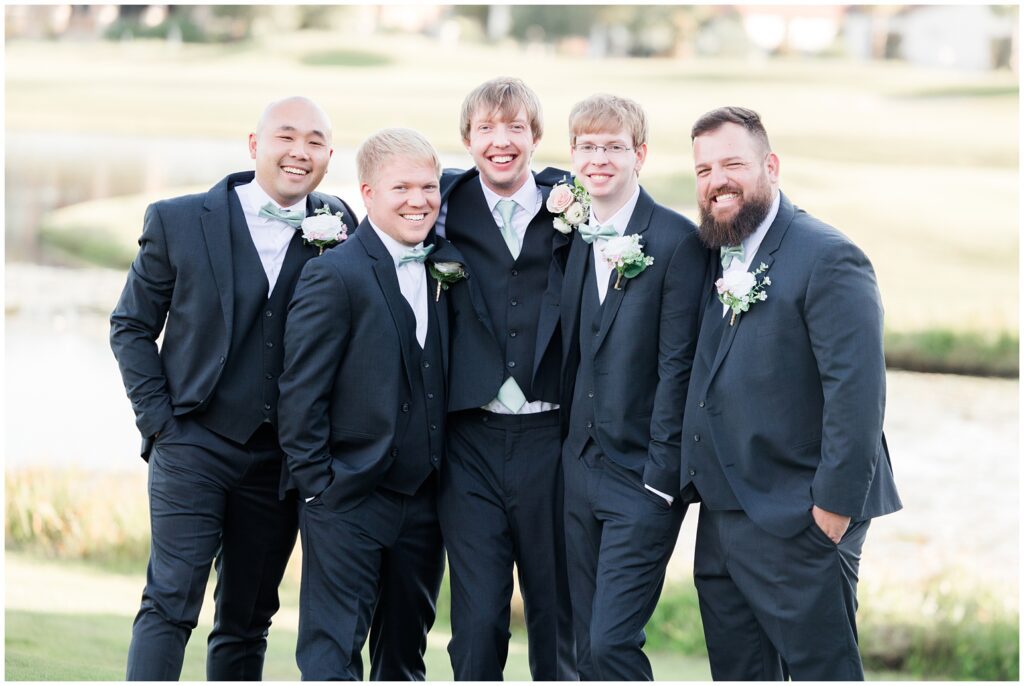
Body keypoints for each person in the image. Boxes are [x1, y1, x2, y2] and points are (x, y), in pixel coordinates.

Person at [109, 96, 357, 680]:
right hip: (193, 440)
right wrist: (160, 424)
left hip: (281, 460)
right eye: (286, 137)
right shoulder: (178, 219)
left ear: (328, 155)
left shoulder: (340, 222)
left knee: (248, 620)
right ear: (254, 145)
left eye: (316, 141)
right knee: (171, 602)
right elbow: (131, 326)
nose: (300, 152)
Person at [681, 106, 902, 680]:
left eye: (732, 163)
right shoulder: (715, 253)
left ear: (771, 165)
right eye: (703, 170)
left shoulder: (827, 257)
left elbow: (857, 393)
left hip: (801, 512)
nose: (716, 181)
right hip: (726, 513)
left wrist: (832, 509)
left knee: (820, 671)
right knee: (739, 673)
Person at [278, 128, 465, 680]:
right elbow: (300, 392)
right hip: (347, 497)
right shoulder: (334, 274)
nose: (419, 200)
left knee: (405, 658)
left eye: (429, 187)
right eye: (401, 187)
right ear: (366, 192)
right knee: (332, 655)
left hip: (426, 503)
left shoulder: (443, 267)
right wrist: (321, 484)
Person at [552, 94, 708, 680]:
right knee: (582, 649)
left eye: (613, 146)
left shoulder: (674, 241)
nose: (599, 158)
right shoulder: (571, 231)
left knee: (612, 644)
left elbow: (679, 366)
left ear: (638, 154)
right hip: (578, 469)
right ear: (572, 153)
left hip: (641, 479)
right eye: (587, 146)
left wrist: (661, 478)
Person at [434, 76, 576, 680]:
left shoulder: (574, 202)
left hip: (553, 441)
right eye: (487, 128)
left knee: (557, 615)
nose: (501, 140)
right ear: (467, 139)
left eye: (515, 127)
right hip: (470, 443)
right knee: (478, 621)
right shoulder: (441, 201)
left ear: (535, 138)